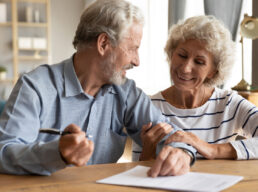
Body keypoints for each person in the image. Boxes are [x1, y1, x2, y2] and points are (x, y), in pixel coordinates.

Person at [0, 0, 196, 176]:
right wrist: (57, 152)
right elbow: (4, 152)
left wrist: (182, 152)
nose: (137, 61)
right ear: (103, 44)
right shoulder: (36, 86)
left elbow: (173, 134)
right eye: (133, 48)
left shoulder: (126, 91)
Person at [132, 15, 258, 161]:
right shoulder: (149, 107)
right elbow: (137, 174)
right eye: (182, 55)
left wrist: (211, 149)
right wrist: (148, 150)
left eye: (199, 62)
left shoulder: (229, 104)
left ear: (213, 71)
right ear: (172, 54)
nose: (185, 68)